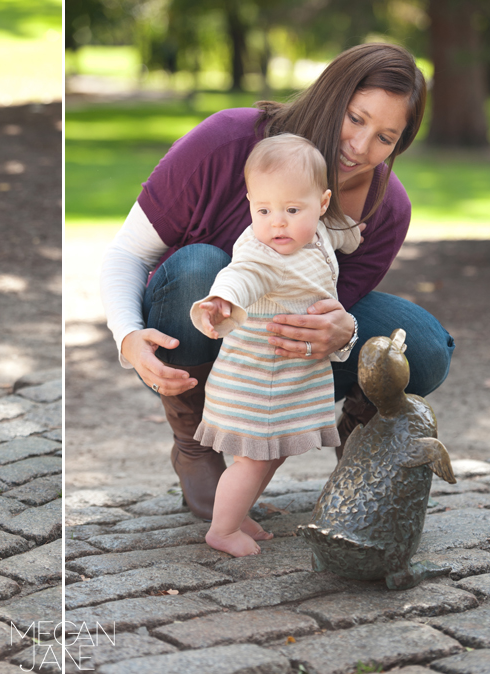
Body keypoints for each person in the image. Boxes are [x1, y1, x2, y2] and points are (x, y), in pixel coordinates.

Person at [100, 43, 455, 521]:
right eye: (355, 118)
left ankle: (361, 441)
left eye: (385, 138)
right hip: (192, 332)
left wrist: (342, 331)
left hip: (281, 347)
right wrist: (126, 336)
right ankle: (195, 444)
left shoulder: (386, 208)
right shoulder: (228, 139)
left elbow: (328, 302)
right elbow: (128, 250)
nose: (360, 146)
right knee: (201, 266)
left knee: (423, 347)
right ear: (331, 97)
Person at [191, 135, 359, 556]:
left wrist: (353, 235)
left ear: (321, 204)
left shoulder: (316, 233)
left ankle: (237, 512)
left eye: (291, 210)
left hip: (288, 379)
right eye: (263, 210)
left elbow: (333, 239)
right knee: (255, 459)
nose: (277, 223)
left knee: (272, 455)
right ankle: (222, 529)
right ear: (250, 203)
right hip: (260, 381)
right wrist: (222, 298)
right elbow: (242, 275)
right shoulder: (265, 253)